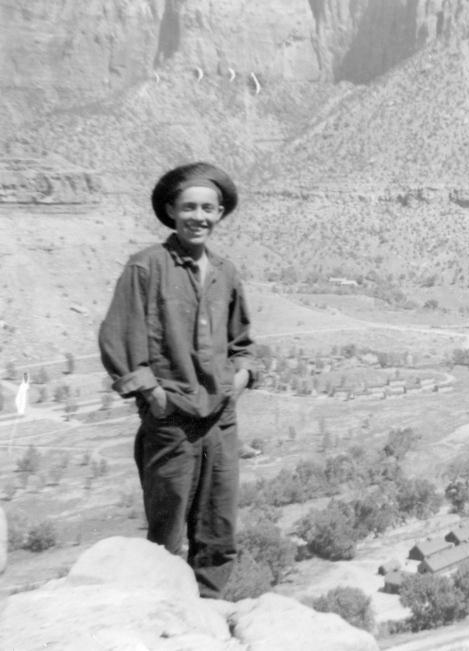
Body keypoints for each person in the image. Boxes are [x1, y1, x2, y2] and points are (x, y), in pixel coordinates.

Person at [98, 162, 258, 598]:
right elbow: (118, 337)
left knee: (218, 528)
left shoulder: (225, 272)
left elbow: (242, 339)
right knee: (166, 532)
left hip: (220, 418)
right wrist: (153, 393)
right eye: (189, 207)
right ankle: (164, 613)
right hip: (171, 421)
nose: (199, 217)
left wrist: (242, 374)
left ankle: (207, 610)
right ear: (170, 210)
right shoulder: (146, 267)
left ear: (220, 212)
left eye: (208, 208)